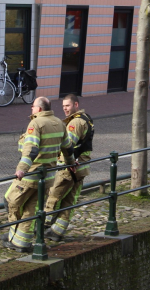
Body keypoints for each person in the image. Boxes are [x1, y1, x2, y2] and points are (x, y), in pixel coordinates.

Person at [2, 96, 73, 252]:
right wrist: (71, 162)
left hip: (31, 175)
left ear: (39, 109)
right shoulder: (60, 123)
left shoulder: (36, 123)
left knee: (10, 201)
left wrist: (22, 169)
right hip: (47, 178)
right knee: (31, 208)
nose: (31, 109)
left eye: (33, 106)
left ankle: (13, 236)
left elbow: (31, 149)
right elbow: (68, 148)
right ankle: (21, 242)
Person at [44, 94, 94, 242]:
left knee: (53, 197)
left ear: (76, 105)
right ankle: (57, 231)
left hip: (69, 168)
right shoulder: (87, 119)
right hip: (82, 168)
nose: (65, 109)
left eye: (68, 106)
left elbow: (68, 146)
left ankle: (40, 228)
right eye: (63, 106)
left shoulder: (75, 123)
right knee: (69, 201)